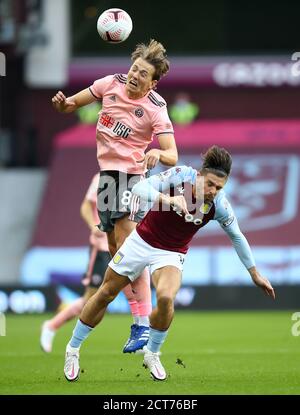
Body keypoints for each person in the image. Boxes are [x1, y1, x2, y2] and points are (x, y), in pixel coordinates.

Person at [62, 145, 275, 382]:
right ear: (200, 176)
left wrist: (254, 273)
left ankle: (152, 353)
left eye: (219, 187)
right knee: (106, 293)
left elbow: (237, 236)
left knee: (165, 298)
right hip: (141, 241)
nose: (213, 190)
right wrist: (168, 199)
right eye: (210, 184)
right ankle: (72, 349)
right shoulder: (182, 176)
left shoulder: (220, 205)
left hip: (171, 253)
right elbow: (140, 187)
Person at [51, 39, 178, 353]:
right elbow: (71, 104)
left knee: (127, 250)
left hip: (132, 180)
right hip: (107, 178)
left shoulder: (155, 108)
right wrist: (61, 104)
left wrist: (156, 155)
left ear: (153, 82)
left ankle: (142, 325)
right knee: (116, 254)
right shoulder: (110, 84)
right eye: (134, 68)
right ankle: (138, 322)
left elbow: (172, 153)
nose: (134, 75)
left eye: (142, 73)